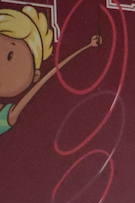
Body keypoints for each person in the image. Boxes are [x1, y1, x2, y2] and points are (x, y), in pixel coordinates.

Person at [0, 6, 101, 138]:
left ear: (35, 75)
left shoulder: (7, 116)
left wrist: (86, 47)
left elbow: (47, 78)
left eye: (10, 57)